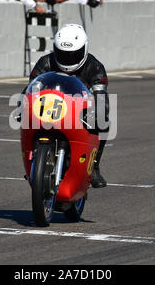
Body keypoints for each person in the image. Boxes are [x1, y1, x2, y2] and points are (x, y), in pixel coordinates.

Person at [28, 24, 109, 188]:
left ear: (84, 49)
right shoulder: (46, 62)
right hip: (50, 107)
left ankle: (93, 167)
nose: (68, 59)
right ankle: (33, 160)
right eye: (63, 55)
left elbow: (101, 96)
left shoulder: (95, 67)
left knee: (104, 122)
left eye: (73, 55)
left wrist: (97, 112)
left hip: (79, 111)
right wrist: (23, 102)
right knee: (24, 119)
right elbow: (31, 87)